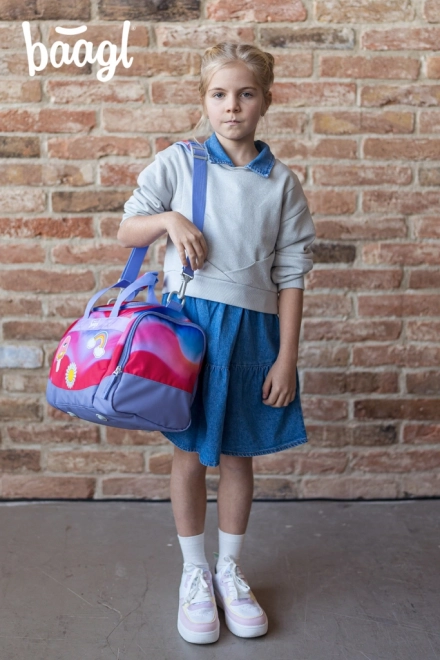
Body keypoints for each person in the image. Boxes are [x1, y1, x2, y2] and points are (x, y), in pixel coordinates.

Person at [118, 42, 316, 645]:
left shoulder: (281, 183)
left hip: (253, 335)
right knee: (187, 453)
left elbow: (291, 275)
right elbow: (128, 227)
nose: (232, 106)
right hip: (191, 333)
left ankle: (230, 570)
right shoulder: (180, 163)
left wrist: (286, 357)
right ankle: (194, 572)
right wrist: (169, 221)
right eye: (219, 94)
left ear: (266, 101)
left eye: (245, 94)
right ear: (204, 101)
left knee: (237, 455)